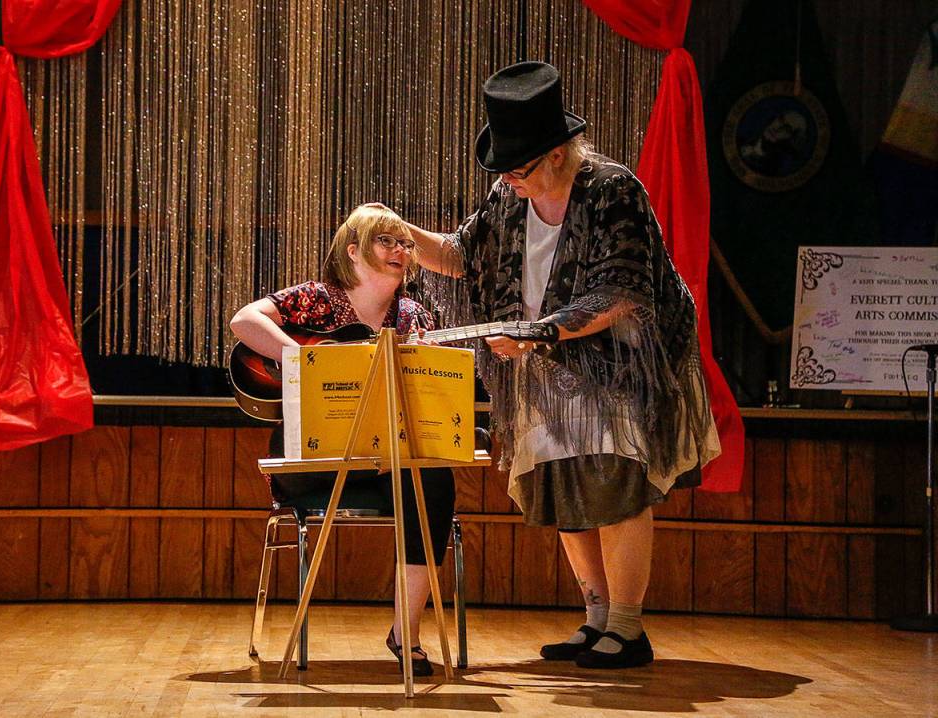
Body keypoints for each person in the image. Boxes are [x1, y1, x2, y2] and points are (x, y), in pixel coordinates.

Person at [392, 61, 721, 669]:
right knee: (564, 484)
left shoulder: (612, 189)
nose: (511, 181)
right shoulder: (507, 196)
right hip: (544, 369)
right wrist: (400, 232)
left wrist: (536, 334)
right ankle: (596, 619)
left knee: (617, 483)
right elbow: (465, 256)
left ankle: (628, 627)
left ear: (558, 155)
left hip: (618, 364)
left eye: (520, 169)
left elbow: (621, 290)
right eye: (505, 172)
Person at [230, 204, 455, 676]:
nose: (402, 250)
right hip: (314, 459)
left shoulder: (413, 317)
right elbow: (244, 321)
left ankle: (406, 632)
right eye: (386, 241)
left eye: (407, 243)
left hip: (383, 461)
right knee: (412, 472)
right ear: (353, 251)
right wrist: (304, 360)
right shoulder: (315, 299)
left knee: (433, 479)